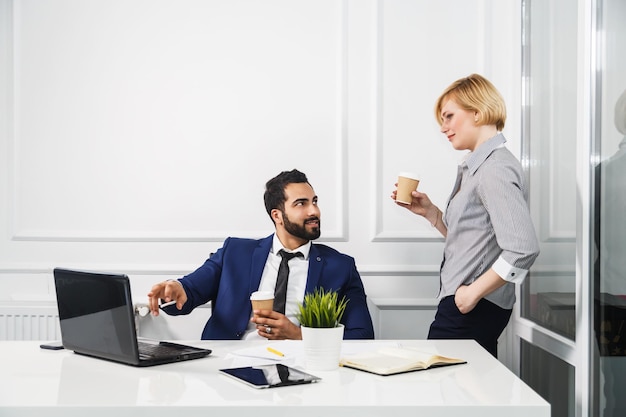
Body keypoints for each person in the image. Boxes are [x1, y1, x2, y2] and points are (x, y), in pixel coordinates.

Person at [391, 74, 540, 357]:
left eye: (448, 117)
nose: (443, 128)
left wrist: (472, 294)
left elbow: (524, 248)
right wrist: (433, 214)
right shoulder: (480, 167)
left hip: (471, 308)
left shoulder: (494, 169)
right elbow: (479, 239)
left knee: (446, 392)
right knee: (463, 394)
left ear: (478, 112)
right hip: (469, 306)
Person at [148, 169, 374, 340]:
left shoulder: (340, 267)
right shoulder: (235, 253)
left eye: (314, 202)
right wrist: (175, 289)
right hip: (232, 373)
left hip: (303, 371)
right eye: (301, 204)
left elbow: (362, 336)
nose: (314, 211)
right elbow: (190, 290)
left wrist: (298, 335)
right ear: (277, 215)